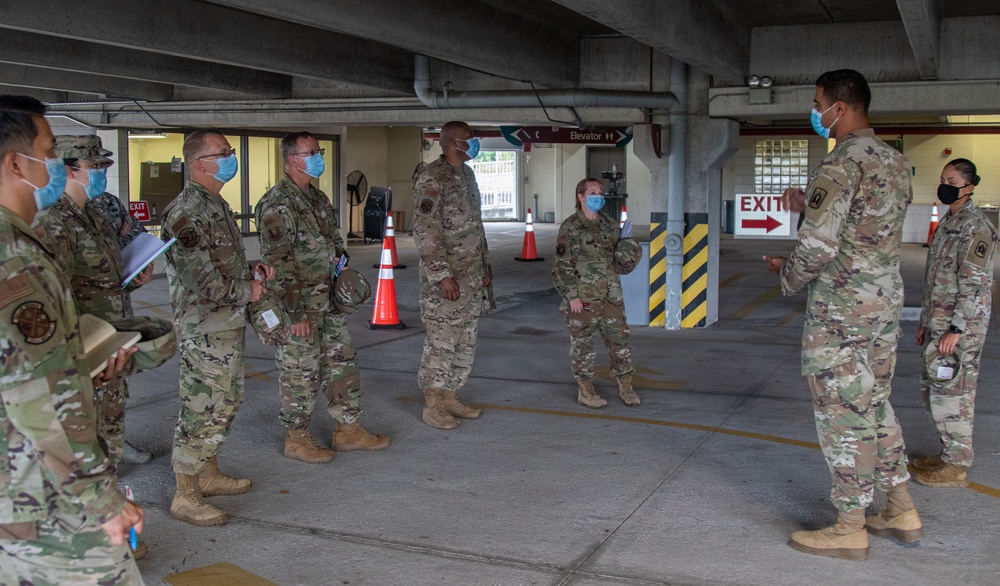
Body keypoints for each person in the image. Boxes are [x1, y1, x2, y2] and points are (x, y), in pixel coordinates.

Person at [763, 70, 921, 560]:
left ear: (841, 107)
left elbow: (818, 246)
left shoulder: (840, 164)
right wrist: (803, 209)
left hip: (842, 312)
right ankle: (900, 507)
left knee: (841, 413)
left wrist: (786, 274)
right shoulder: (896, 163)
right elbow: (863, 228)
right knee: (874, 404)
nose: (816, 113)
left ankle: (851, 525)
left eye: (818, 103)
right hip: (882, 304)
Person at [0, 99, 144, 584]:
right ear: (16, 163)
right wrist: (103, 503)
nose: (56, 167)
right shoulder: (16, 261)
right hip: (40, 494)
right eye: (49, 153)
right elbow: (39, 398)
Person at [161, 129, 273, 527]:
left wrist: (250, 270)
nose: (230, 157)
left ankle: (207, 474)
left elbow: (221, 264)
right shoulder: (186, 212)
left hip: (225, 321)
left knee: (225, 401)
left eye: (230, 151)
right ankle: (185, 493)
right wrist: (250, 289)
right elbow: (201, 280)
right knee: (201, 405)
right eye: (222, 152)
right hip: (204, 327)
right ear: (198, 164)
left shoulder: (214, 204)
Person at [255, 131, 389, 463]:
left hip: (328, 302)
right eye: (312, 152)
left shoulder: (318, 199)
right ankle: (297, 437)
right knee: (300, 371)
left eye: (320, 151)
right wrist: (295, 313)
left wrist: (339, 262)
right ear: (292, 159)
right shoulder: (276, 204)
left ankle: (348, 430)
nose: (319, 157)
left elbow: (334, 242)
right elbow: (279, 263)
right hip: (300, 306)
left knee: (342, 364)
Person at [35, 135, 154, 471]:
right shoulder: (54, 221)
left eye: (104, 165)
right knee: (83, 429)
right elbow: (52, 294)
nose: (101, 172)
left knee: (111, 421)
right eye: (94, 166)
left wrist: (134, 276)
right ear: (69, 171)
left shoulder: (99, 215)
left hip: (112, 337)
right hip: (84, 342)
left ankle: (110, 485)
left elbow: (110, 269)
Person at [911, 159, 997, 488]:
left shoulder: (976, 227)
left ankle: (957, 464)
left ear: (970, 187)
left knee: (954, 392)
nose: (945, 185)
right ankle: (948, 453)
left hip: (960, 329)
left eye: (953, 180)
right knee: (934, 389)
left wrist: (956, 329)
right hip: (939, 323)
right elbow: (936, 280)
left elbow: (974, 285)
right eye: (943, 179)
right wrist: (925, 322)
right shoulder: (949, 222)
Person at [412, 121, 493, 430]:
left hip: (471, 276)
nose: (474, 144)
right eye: (469, 140)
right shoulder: (432, 178)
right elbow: (426, 231)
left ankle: (451, 396)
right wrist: (442, 275)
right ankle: (433, 404)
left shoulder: (467, 175)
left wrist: (485, 264)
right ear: (451, 143)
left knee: (465, 339)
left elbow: (475, 223)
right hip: (448, 280)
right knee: (442, 340)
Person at [552, 178, 639, 408]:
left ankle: (626, 386)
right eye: (593, 192)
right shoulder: (570, 227)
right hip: (583, 297)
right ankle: (586, 390)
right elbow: (562, 266)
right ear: (581, 197)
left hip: (611, 295)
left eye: (600, 192)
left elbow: (619, 262)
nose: (598, 196)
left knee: (620, 342)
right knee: (583, 346)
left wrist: (627, 247)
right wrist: (572, 296)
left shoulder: (609, 224)